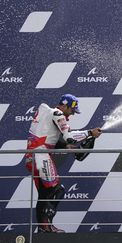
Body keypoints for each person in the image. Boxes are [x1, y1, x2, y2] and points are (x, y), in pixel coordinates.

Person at [25, 94, 102, 233]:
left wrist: (64, 146)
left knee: (44, 194)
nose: (72, 114)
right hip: (41, 156)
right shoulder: (58, 113)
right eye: (72, 111)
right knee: (57, 190)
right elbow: (69, 137)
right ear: (65, 106)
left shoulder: (44, 110)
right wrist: (90, 133)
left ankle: (44, 227)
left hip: (31, 157)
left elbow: (44, 134)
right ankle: (46, 225)